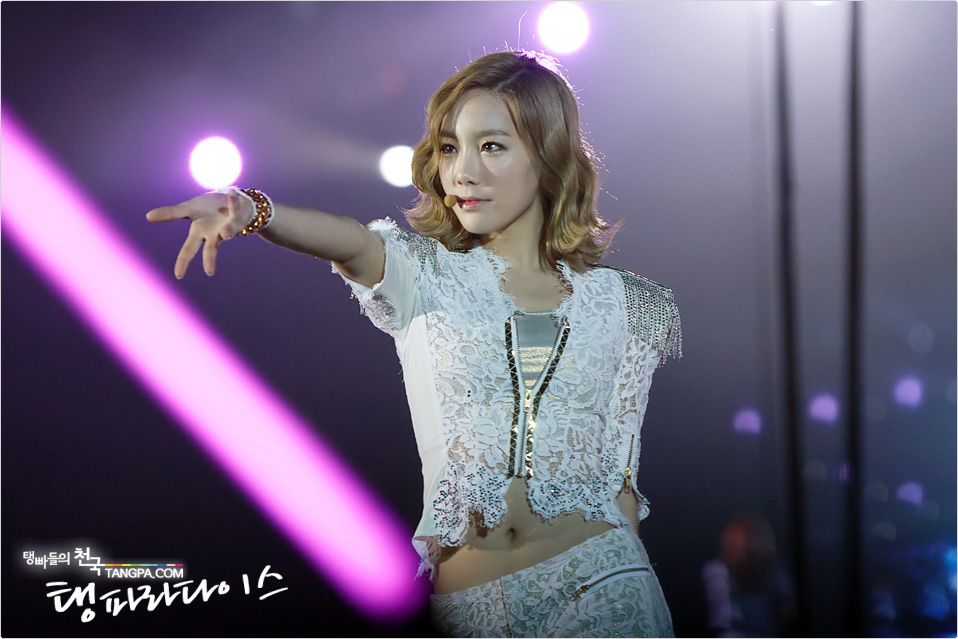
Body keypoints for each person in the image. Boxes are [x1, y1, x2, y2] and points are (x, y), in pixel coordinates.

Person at [148, 50, 680, 638]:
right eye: (450, 148)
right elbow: (351, 242)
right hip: (469, 613)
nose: (462, 172)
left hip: (601, 586)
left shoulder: (630, 304)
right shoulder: (425, 275)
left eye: (492, 146)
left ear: (548, 154)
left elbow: (621, 484)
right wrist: (255, 210)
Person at [701, 512, 797, 637]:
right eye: (727, 543)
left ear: (754, 545)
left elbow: (787, 614)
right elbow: (719, 621)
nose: (729, 549)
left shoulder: (775, 573)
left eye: (735, 544)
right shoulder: (717, 573)